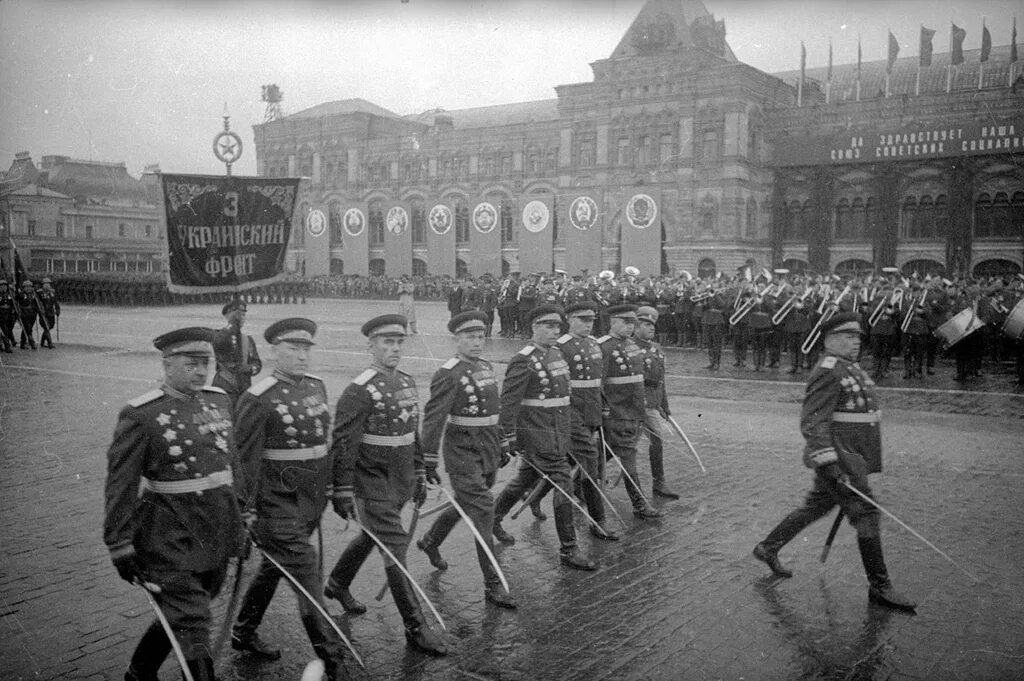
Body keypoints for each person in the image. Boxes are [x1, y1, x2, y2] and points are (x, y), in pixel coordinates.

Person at [103, 327, 247, 681]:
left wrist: (243, 513)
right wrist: (119, 544)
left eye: (206, 363)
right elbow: (120, 486)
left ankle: (139, 672)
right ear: (167, 365)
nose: (201, 371)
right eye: (191, 363)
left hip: (214, 531)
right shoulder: (142, 415)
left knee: (184, 610)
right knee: (193, 622)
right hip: (168, 537)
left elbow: (231, 463)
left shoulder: (218, 401)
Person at [752, 312, 917, 612]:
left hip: (850, 456)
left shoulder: (848, 368)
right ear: (828, 339)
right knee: (866, 514)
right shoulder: (829, 369)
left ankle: (768, 547)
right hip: (839, 460)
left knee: (817, 505)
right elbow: (813, 422)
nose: (854, 342)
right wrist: (830, 463)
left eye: (857, 337)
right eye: (847, 336)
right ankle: (880, 586)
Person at [230, 318, 347, 679]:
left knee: (274, 567)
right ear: (274, 350)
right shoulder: (258, 399)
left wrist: (330, 488)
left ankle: (243, 630)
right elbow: (244, 462)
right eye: (292, 348)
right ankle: (333, 660)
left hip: (309, 504)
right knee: (308, 578)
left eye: (305, 348)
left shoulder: (316, 387)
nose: (301, 355)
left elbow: (322, 447)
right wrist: (245, 512)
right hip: (275, 507)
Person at [324, 314, 448, 655]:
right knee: (394, 546)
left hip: (401, 480)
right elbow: (344, 443)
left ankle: (337, 583)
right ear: (371, 346)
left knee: (371, 535)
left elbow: (413, 435)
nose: (393, 349)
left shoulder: (406, 382)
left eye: (398, 342)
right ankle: (415, 627)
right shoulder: (359, 389)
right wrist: (343, 489)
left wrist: (420, 473)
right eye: (386, 343)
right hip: (371, 481)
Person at [415, 311, 518, 608]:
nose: (476, 342)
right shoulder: (449, 373)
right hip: (461, 451)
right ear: (456, 339)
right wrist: (429, 461)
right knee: (484, 509)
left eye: (480, 336)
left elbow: (493, 411)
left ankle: (431, 541)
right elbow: (433, 420)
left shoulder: (485, 367)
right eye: (469, 337)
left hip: (486, 448)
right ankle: (493, 584)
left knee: (465, 501)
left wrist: (501, 443)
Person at [490, 305, 597, 570]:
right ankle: (569, 549)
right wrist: (509, 437)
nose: (554, 331)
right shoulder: (523, 359)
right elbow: (509, 402)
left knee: (525, 479)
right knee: (563, 482)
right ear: (534, 327)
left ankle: (493, 517)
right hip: (537, 434)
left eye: (557, 327)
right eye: (548, 326)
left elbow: (564, 398)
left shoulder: (556, 354)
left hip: (558, 431)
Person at [599, 304, 663, 518]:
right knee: (627, 457)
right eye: (625, 322)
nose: (630, 327)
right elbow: (599, 384)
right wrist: (605, 411)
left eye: (632, 323)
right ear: (613, 322)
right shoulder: (605, 347)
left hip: (634, 412)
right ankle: (639, 504)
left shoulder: (632, 345)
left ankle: (574, 484)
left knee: (602, 453)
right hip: (616, 414)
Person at [634, 306, 680, 500]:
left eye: (652, 324)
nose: (651, 328)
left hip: (653, 403)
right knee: (620, 444)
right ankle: (586, 477)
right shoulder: (631, 348)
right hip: (637, 402)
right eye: (645, 324)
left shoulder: (657, 349)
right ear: (635, 328)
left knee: (656, 440)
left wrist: (664, 404)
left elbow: (661, 380)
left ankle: (659, 481)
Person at [212, 299, 262, 411]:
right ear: (228, 316)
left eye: (244, 314)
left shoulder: (247, 340)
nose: (242, 317)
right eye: (238, 314)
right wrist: (233, 326)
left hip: (244, 387)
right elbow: (220, 344)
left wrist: (249, 368)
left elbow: (257, 363)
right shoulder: (220, 336)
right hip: (225, 386)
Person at [37, 277, 60, 348]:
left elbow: (56, 302)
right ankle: (50, 343)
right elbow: (37, 302)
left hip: (51, 312)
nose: (47, 285)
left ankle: (42, 342)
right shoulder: (39, 293)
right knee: (46, 327)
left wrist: (58, 310)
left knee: (51, 326)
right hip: (43, 313)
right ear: (42, 285)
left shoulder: (53, 292)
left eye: (48, 284)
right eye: (45, 284)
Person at [16, 279, 38, 349]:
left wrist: (36, 310)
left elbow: (37, 304)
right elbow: (16, 303)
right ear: (24, 287)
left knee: (27, 328)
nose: (28, 288)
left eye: (30, 287)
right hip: (24, 314)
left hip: (32, 314)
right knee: (28, 328)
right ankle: (32, 342)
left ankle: (23, 343)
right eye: (27, 287)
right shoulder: (21, 295)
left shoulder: (34, 294)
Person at [0, 279, 15, 352]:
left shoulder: (10, 294)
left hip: (9, 314)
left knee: (9, 330)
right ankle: (7, 346)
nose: (3, 287)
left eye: (5, 286)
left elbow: (13, 304)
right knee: (4, 331)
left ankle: (2, 344)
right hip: (1, 315)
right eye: (2, 286)